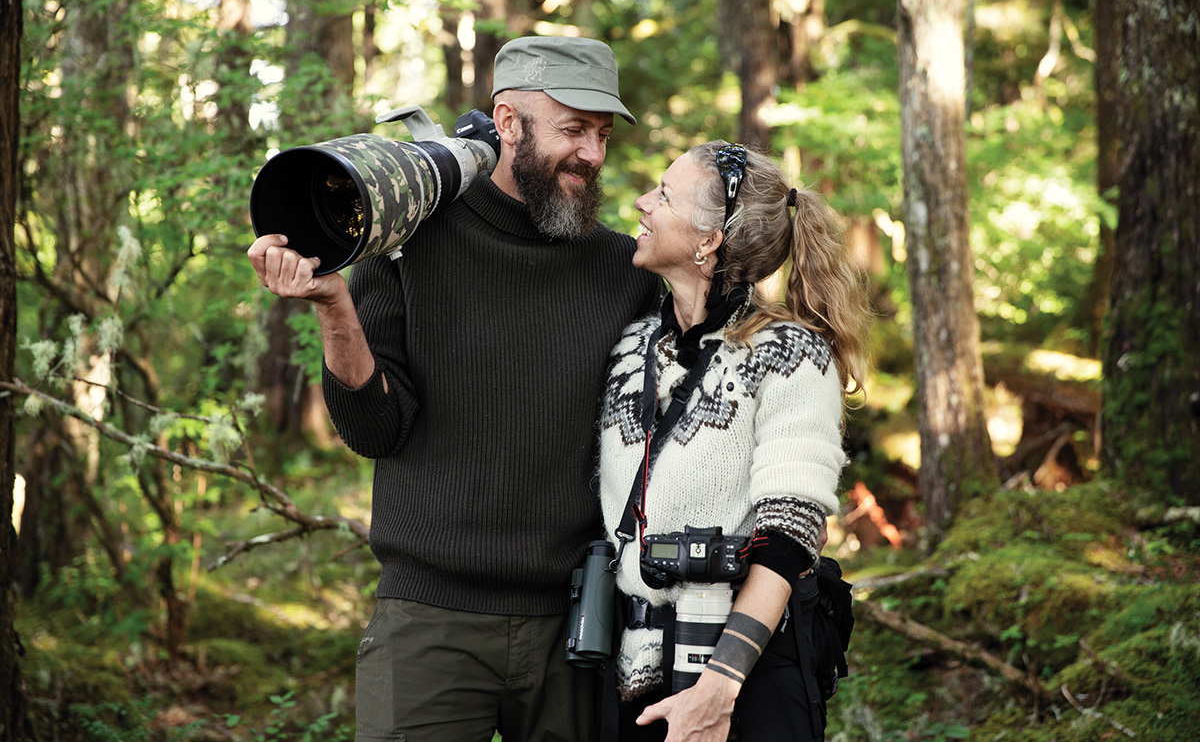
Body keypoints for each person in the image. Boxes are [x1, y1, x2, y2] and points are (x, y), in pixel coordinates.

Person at [247, 36, 661, 742]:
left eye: (600, 133)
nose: (592, 154)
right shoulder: (407, 238)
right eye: (572, 129)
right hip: (429, 622)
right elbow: (375, 429)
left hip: (578, 624)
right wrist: (334, 306)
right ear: (507, 124)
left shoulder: (628, 268)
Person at [596, 142, 870, 741]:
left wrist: (719, 689)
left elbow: (791, 534)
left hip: (746, 676)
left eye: (664, 194)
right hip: (629, 675)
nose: (642, 202)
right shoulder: (632, 347)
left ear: (707, 240)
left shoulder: (789, 354)